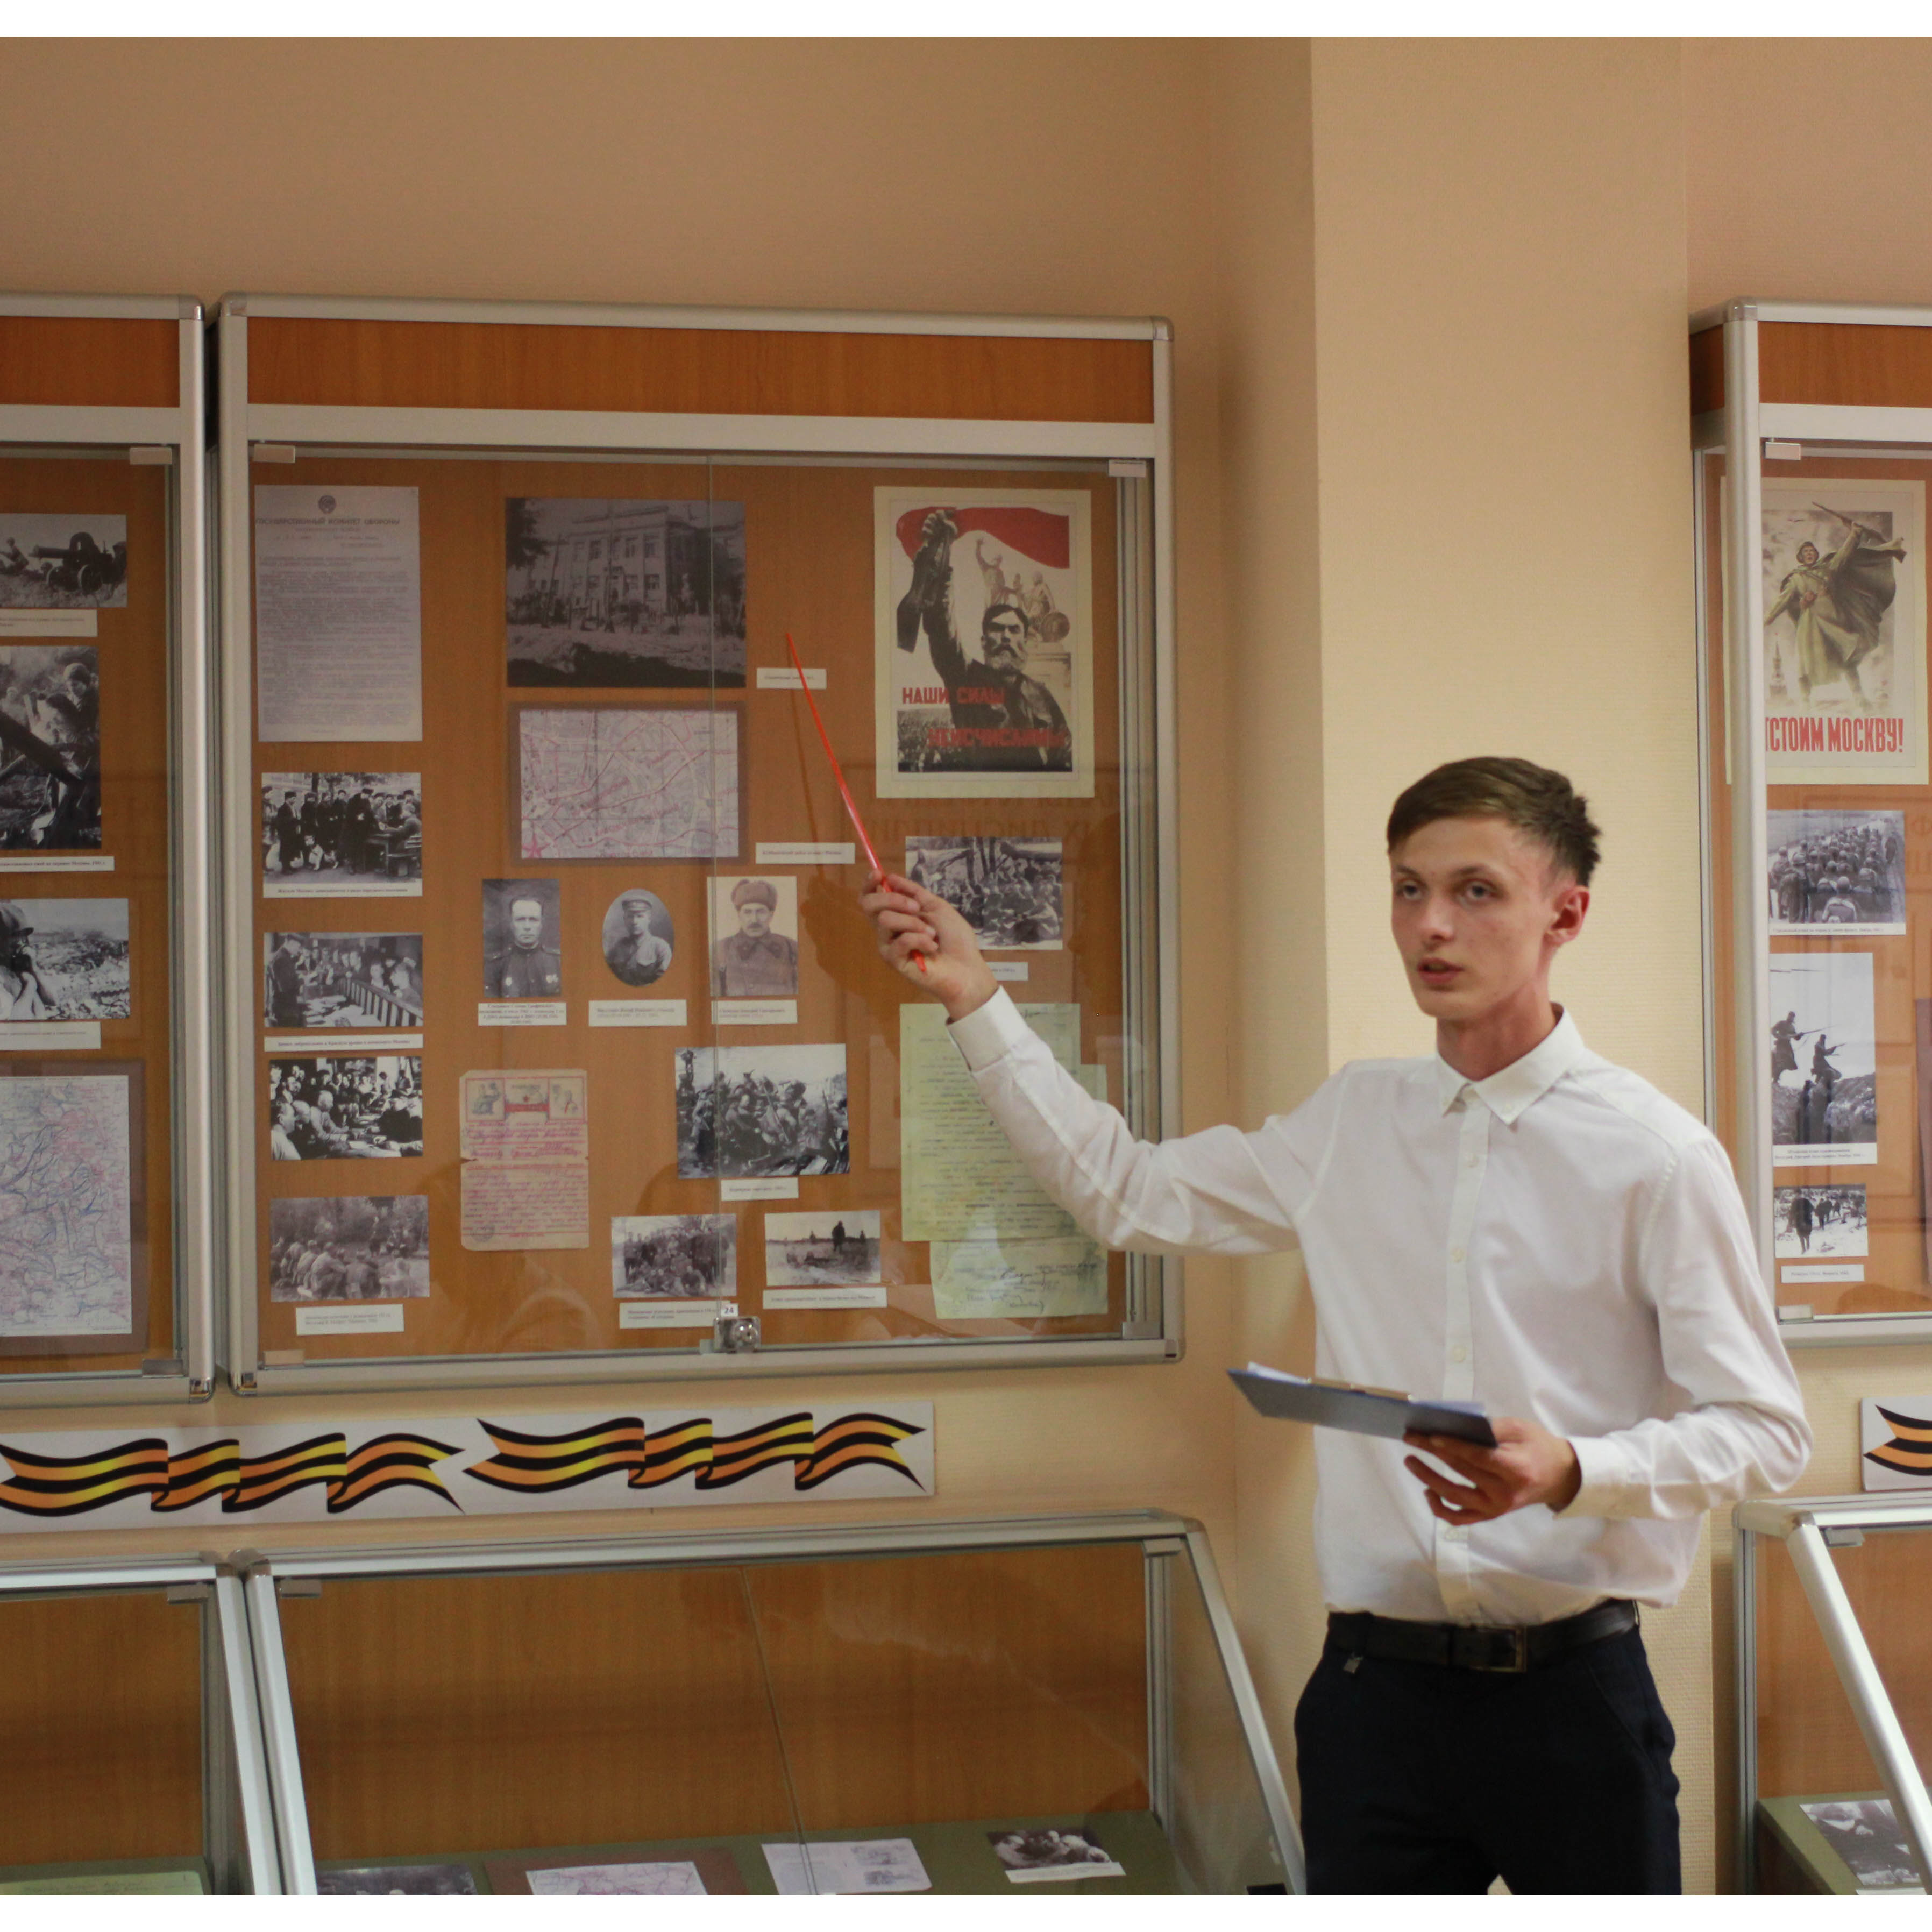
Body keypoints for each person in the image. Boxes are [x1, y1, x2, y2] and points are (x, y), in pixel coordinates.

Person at [862, 755, 1810, 1895]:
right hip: (1372, 1700)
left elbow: (1764, 1430)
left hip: (1572, 1698)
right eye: (1408, 889)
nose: (1431, 925)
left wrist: (1574, 1468)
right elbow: (1127, 1193)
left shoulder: (1655, 1155)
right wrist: (975, 996)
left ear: (1564, 915)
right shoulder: (1355, 1115)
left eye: (1474, 891)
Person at [895, 509, 1073, 773]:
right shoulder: (966, 676)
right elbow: (943, 632)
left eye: (1014, 630)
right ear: (983, 642)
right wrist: (940, 555)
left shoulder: (1041, 695)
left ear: (1026, 640)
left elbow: (1066, 754)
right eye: (997, 630)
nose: (1006, 637)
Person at [1764, 516, 1908, 707]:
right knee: (1804, 665)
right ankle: (1805, 703)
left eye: (1812, 551)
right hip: (1811, 626)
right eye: (1805, 552)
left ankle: (1860, 699)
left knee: (1847, 658)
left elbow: (1844, 554)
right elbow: (1783, 600)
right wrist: (1767, 618)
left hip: (1835, 622)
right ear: (1800, 557)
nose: (1809, 554)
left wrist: (1855, 533)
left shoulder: (1829, 569)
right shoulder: (1796, 579)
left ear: (1816, 554)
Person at [711, 877, 797, 996]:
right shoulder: (721, 949)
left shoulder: (791, 948)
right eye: (747, 912)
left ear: (771, 915)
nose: (754, 920)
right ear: (739, 915)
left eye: (761, 912)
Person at [485, 894, 562, 998]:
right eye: (520, 920)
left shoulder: (558, 962)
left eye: (533, 920)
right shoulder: (495, 966)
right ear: (511, 924)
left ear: (541, 924)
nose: (527, 927)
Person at [607, 889, 673, 987]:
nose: (634, 922)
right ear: (625, 919)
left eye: (640, 916)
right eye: (630, 917)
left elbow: (664, 984)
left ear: (649, 919)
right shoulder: (618, 947)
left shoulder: (661, 947)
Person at [0, 903, 51, 1020]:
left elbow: (53, 1001)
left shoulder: (16, 966)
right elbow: (14, 1022)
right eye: (14, 936)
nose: (20, 942)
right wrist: (30, 985)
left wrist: (34, 969)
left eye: (23, 936)